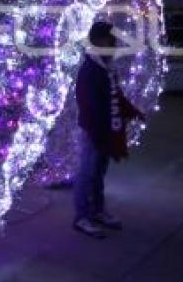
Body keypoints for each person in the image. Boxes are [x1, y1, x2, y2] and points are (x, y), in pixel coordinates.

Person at [72, 21, 144, 238]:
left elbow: (116, 95)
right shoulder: (90, 70)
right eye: (109, 40)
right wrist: (97, 133)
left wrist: (132, 111)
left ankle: (97, 210)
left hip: (106, 131)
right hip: (94, 132)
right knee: (88, 174)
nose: (113, 45)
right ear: (97, 42)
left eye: (113, 41)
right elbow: (88, 105)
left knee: (99, 173)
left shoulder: (107, 67)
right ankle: (82, 217)